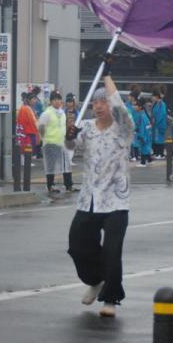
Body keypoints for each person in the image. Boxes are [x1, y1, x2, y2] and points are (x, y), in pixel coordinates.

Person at [65, 74, 133, 318]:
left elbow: (119, 105)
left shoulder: (124, 128)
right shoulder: (87, 128)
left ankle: (111, 299)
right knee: (77, 244)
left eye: (103, 102)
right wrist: (69, 135)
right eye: (95, 103)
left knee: (112, 251)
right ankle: (95, 280)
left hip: (116, 200)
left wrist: (106, 76)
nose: (99, 106)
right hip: (89, 198)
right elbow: (70, 149)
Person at [38, 91, 69, 194]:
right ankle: (50, 186)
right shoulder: (47, 113)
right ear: (51, 101)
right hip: (50, 143)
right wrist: (44, 138)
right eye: (55, 100)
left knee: (66, 165)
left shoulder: (62, 112)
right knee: (51, 166)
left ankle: (69, 185)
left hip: (61, 142)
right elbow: (41, 127)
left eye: (59, 99)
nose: (57, 102)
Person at [63, 94, 79, 189]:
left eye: (71, 102)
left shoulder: (77, 112)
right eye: (68, 102)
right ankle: (68, 183)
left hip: (73, 134)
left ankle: (69, 160)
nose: (69, 103)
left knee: (71, 149)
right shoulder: (63, 112)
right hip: (64, 134)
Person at [132, 98, 153, 166]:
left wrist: (141, 135)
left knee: (143, 148)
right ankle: (149, 159)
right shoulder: (143, 114)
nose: (134, 107)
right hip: (146, 134)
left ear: (140, 107)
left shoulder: (142, 116)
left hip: (144, 134)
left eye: (136, 106)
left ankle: (143, 162)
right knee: (146, 147)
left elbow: (142, 127)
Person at [150, 89, 169, 159]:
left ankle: (160, 154)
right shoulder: (155, 104)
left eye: (153, 96)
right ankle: (156, 153)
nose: (152, 97)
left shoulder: (162, 104)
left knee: (160, 139)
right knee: (155, 139)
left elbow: (161, 114)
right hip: (155, 125)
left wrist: (156, 121)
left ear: (157, 96)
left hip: (160, 124)